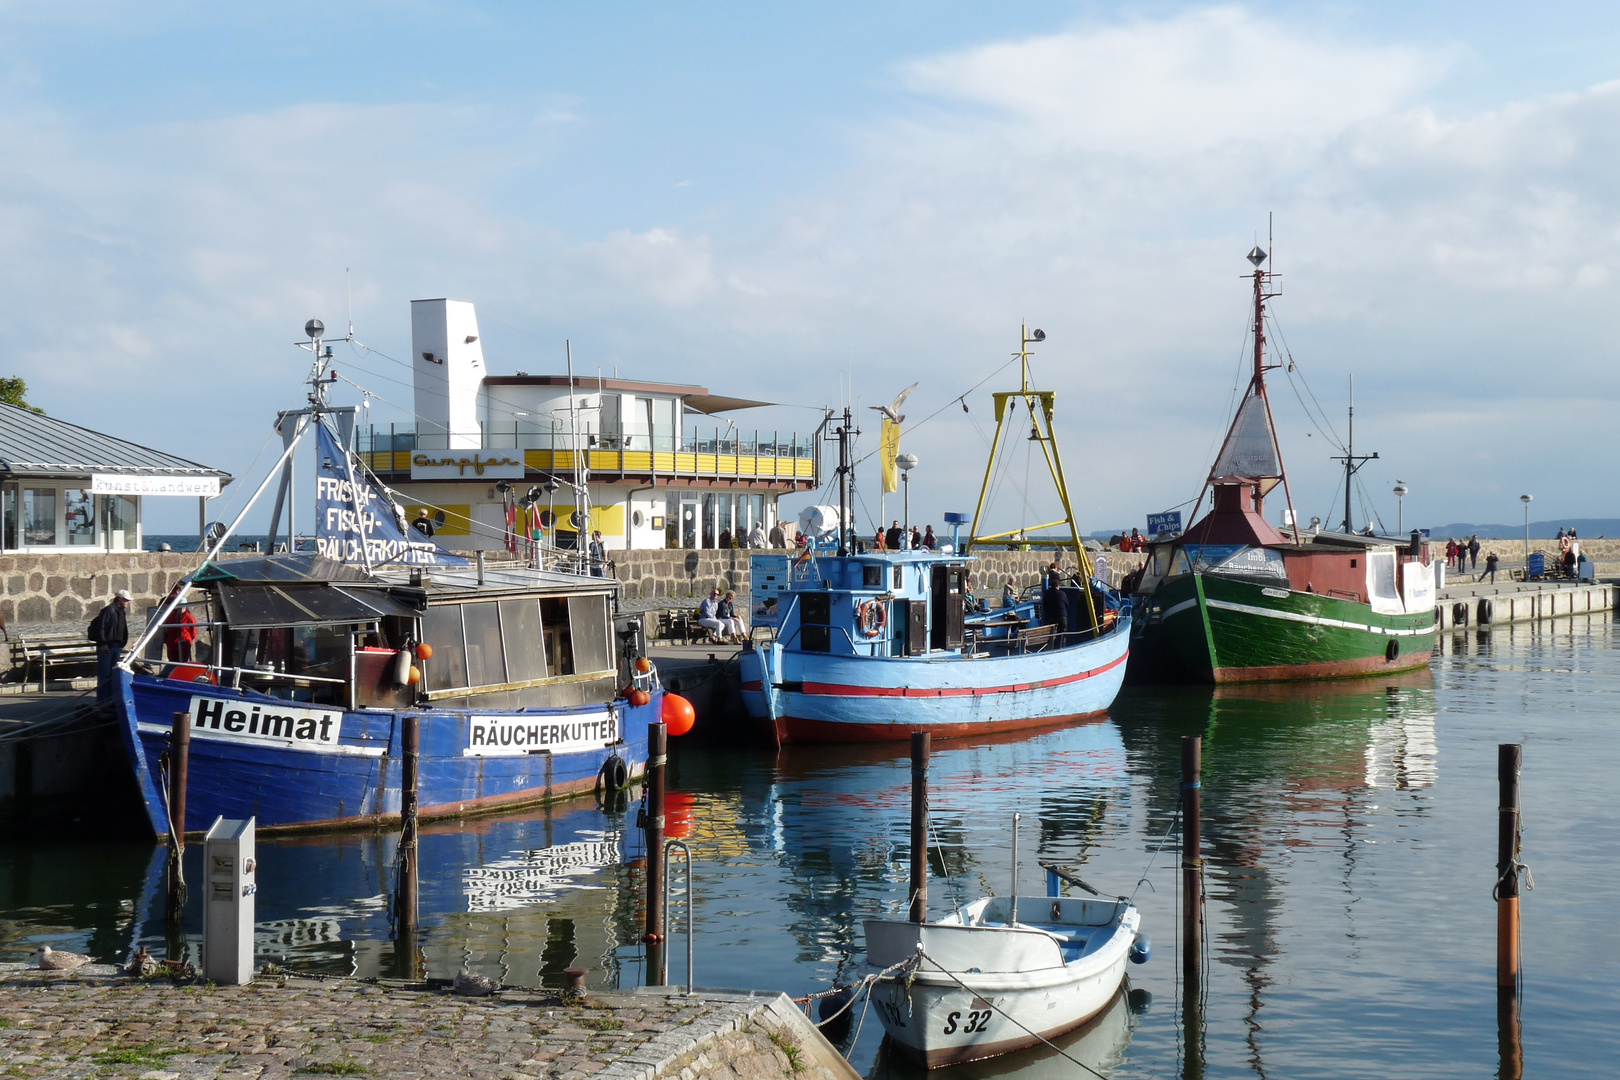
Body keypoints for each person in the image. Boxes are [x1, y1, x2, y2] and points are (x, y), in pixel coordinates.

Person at [89, 589, 132, 703]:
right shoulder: (108, 610)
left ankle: (111, 699)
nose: (128, 603)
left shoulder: (122, 612)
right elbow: (101, 628)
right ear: (120, 599)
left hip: (116, 646)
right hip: (106, 646)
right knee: (104, 674)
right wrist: (103, 644)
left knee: (113, 675)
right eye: (127, 600)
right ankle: (102, 700)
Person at [162, 585, 197, 663]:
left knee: (183, 661)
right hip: (172, 643)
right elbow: (167, 629)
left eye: (182, 607)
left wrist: (188, 639)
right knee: (172, 660)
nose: (180, 609)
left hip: (184, 642)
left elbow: (194, 632)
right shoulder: (171, 616)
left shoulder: (189, 618)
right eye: (179, 607)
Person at [1043, 561, 1067, 633]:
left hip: (1050, 617)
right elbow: (1067, 604)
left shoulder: (1047, 594)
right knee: (1062, 633)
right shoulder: (1062, 594)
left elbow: (1045, 606)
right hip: (1062, 616)